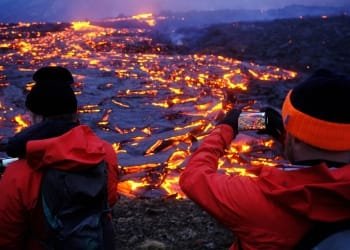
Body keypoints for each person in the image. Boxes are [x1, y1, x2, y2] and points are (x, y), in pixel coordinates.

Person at [179, 69, 350, 250]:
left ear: (296, 137)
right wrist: (286, 136)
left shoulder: (261, 198)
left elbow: (193, 177)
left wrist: (226, 128)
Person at [0, 66, 119, 250]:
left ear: (36, 118)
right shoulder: (105, 154)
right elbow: (108, 202)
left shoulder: (18, 174)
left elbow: (7, 238)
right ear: (75, 114)